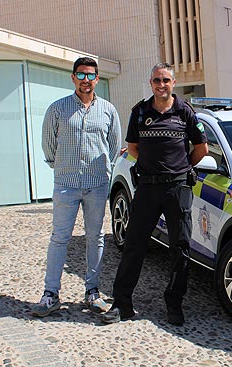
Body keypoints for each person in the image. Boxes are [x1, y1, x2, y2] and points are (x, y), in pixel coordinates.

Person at [102, 62, 208, 326]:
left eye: (166, 80)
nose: (162, 85)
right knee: (133, 246)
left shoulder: (185, 112)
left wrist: (181, 168)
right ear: (151, 83)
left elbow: (201, 149)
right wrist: (152, 166)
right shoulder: (140, 112)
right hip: (147, 188)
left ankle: (175, 304)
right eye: (157, 80)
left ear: (174, 83)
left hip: (177, 188)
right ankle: (122, 304)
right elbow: (133, 147)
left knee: (180, 247)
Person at [32, 57, 122, 317]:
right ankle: (51, 294)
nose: (86, 80)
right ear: (73, 77)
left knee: (95, 238)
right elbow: (48, 145)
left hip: (96, 185)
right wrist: (58, 167)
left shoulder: (108, 110)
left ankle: (92, 292)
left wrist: (105, 170)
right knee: (59, 238)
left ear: (96, 78)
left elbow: (113, 146)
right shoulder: (57, 109)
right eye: (81, 75)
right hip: (66, 185)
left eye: (91, 75)